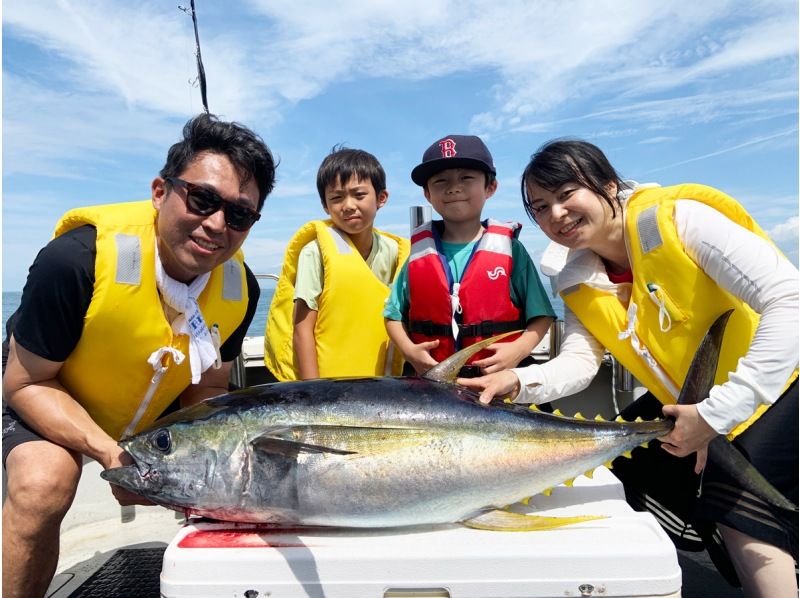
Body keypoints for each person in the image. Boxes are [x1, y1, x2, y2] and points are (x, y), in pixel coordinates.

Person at [459, 139, 798, 598]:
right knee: (625, 470)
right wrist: (518, 380)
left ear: (609, 185)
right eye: (540, 207)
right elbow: (581, 363)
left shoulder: (681, 220)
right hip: (697, 406)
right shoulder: (576, 278)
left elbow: (789, 299)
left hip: (782, 383)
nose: (555, 214)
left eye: (566, 193)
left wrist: (718, 416)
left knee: (742, 512)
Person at [1, 113, 277, 597]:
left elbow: (208, 387)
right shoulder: (75, 260)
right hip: (48, 389)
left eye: (238, 215)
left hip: (150, 406)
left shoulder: (241, 288)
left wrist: (191, 464)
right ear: (160, 191)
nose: (216, 225)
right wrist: (114, 454)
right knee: (43, 484)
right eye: (203, 199)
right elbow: (24, 381)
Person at [384, 134, 555, 376]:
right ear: (427, 195)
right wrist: (409, 351)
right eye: (440, 181)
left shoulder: (512, 251)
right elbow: (392, 315)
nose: (454, 187)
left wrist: (518, 350)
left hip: (494, 383)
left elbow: (542, 315)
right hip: (432, 384)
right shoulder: (418, 255)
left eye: (466, 178)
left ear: (490, 187)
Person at [264, 147, 409, 380]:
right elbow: (302, 329)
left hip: (381, 384)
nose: (348, 205)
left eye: (359, 195)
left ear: (382, 198)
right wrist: (313, 392)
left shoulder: (396, 253)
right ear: (325, 206)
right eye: (337, 198)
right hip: (328, 386)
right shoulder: (315, 252)